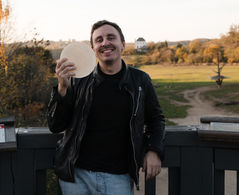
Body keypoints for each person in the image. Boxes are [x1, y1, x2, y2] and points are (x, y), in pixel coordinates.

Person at [47, 20, 165, 194]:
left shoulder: (140, 80)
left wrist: (154, 150)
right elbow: (55, 125)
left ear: (123, 44)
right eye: (99, 40)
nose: (105, 43)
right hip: (76, 177)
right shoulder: (78, 79)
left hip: (119, 177)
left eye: (111, 37)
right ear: (93, 49)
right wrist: (62, 88)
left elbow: (156, 119)